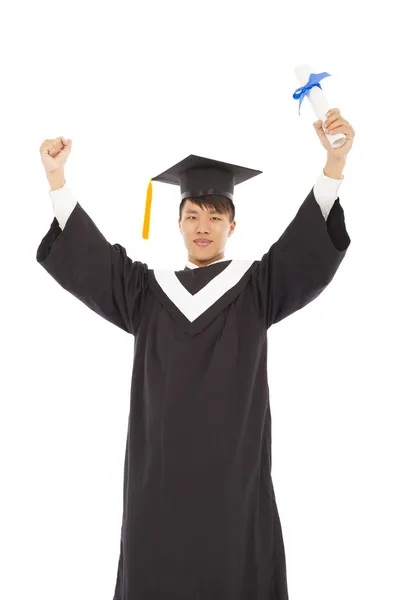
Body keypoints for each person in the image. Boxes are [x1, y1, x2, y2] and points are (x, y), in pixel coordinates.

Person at [36, 108, 355, 599]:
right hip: (156, 486)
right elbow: (94, 260)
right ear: (178, 223)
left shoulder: (257, 286)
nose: (201, 226)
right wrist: (57, 179)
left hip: (233, 484)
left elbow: (303, 248)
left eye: (213, 216)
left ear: (232, 224)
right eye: (191, 216)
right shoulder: (145, 291)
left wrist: (334, 164)